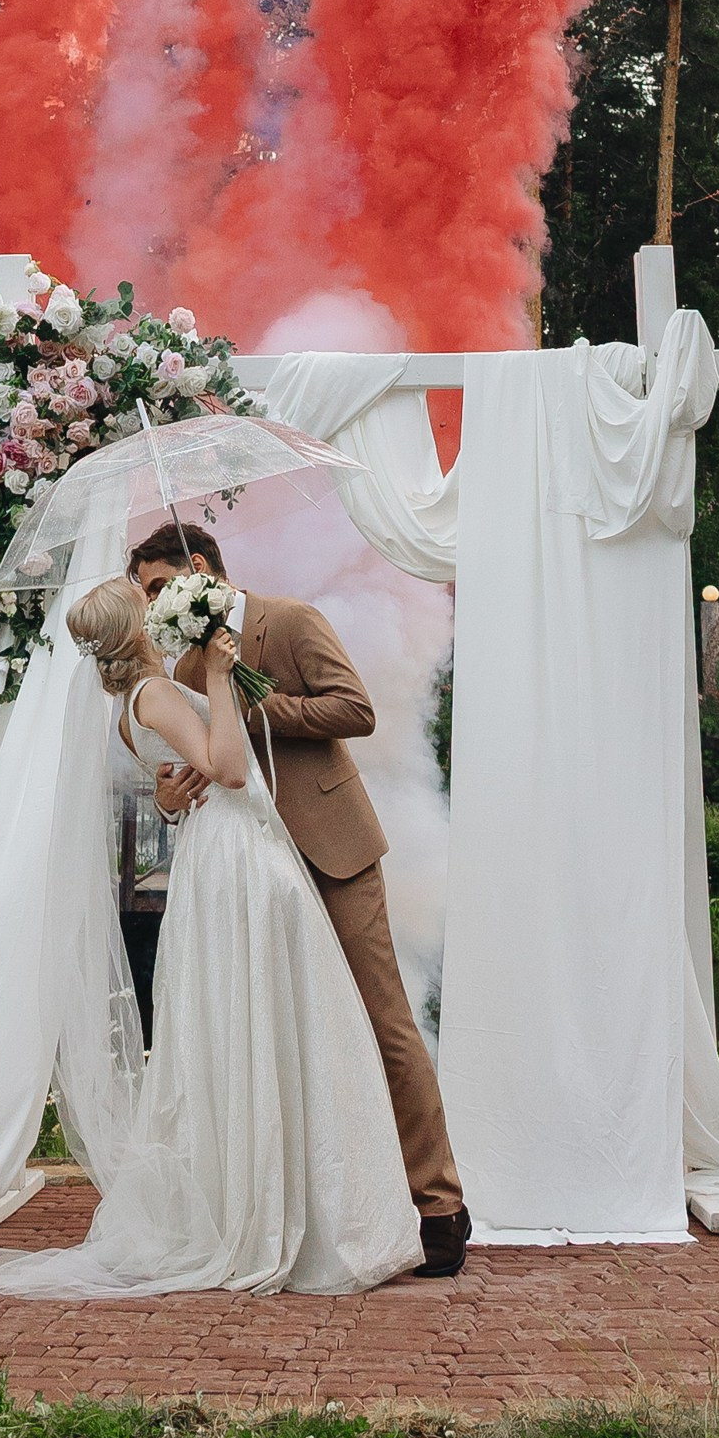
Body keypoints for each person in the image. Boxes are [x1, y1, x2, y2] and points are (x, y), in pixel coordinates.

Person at [0, 572, 420, 1300]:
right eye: (142, 602)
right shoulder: (160, 692)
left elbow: (188, 773)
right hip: (240, 864)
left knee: (259, 1027)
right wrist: (219, 676)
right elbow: (230, 770)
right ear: (132, 628)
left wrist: (213, 690)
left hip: (226, 858)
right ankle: (280, 1216)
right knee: (281, 1022)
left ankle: (284, 1196)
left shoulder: (133, 702)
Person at [132, 522, 471, 1278]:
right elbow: (199, 769)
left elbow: (354, 710)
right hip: (249, 870)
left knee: (384, 1023)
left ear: (196, 568)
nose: (151, 604)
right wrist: (168, 793)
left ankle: (439, 1202)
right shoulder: (181, 661)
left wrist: (252, 703)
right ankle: (325, 1207)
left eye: (157, 587)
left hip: (330, 851)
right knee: (284, 1039)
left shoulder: (286, 621)